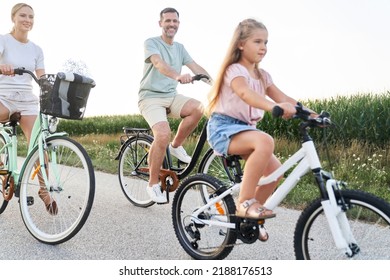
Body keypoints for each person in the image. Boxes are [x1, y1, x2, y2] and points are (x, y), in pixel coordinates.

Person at [206, 19, 315, 239]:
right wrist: (273, 106)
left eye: (266, 42)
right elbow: (246, 94)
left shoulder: (263, 76)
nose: (263, 47)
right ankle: (245, 203)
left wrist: (313, 114)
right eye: (257, 41)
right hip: (223, 128)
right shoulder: (234, 70)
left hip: (245, 130)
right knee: (265, 140)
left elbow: (284, 97)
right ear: (241, 44)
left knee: (275, 173)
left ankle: (249, 218)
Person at [138, 7, 212, 203]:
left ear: (179, 24)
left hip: (171, 95)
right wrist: (178, 75)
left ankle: (175, 146)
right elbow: (158, 63)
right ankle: (153, 184)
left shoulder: (180, 47)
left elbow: (196, 67)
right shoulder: (151, 43)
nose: (172, 24)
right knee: (162, 134)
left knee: (198, 108)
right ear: (160, 23)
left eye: (175, 21)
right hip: (150, 97)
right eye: (168, 21)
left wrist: (216, 84)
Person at [0, 3, 57, 215]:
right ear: (13, 18)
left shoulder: (36, 49)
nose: (27, 20)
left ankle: (44, 190)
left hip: (27, 101)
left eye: (31, 16)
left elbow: (41, 77)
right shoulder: (3, 40)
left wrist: (51, 84)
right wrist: (2, 67)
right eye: (23, 15)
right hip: (3, 97)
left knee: (39, 146)